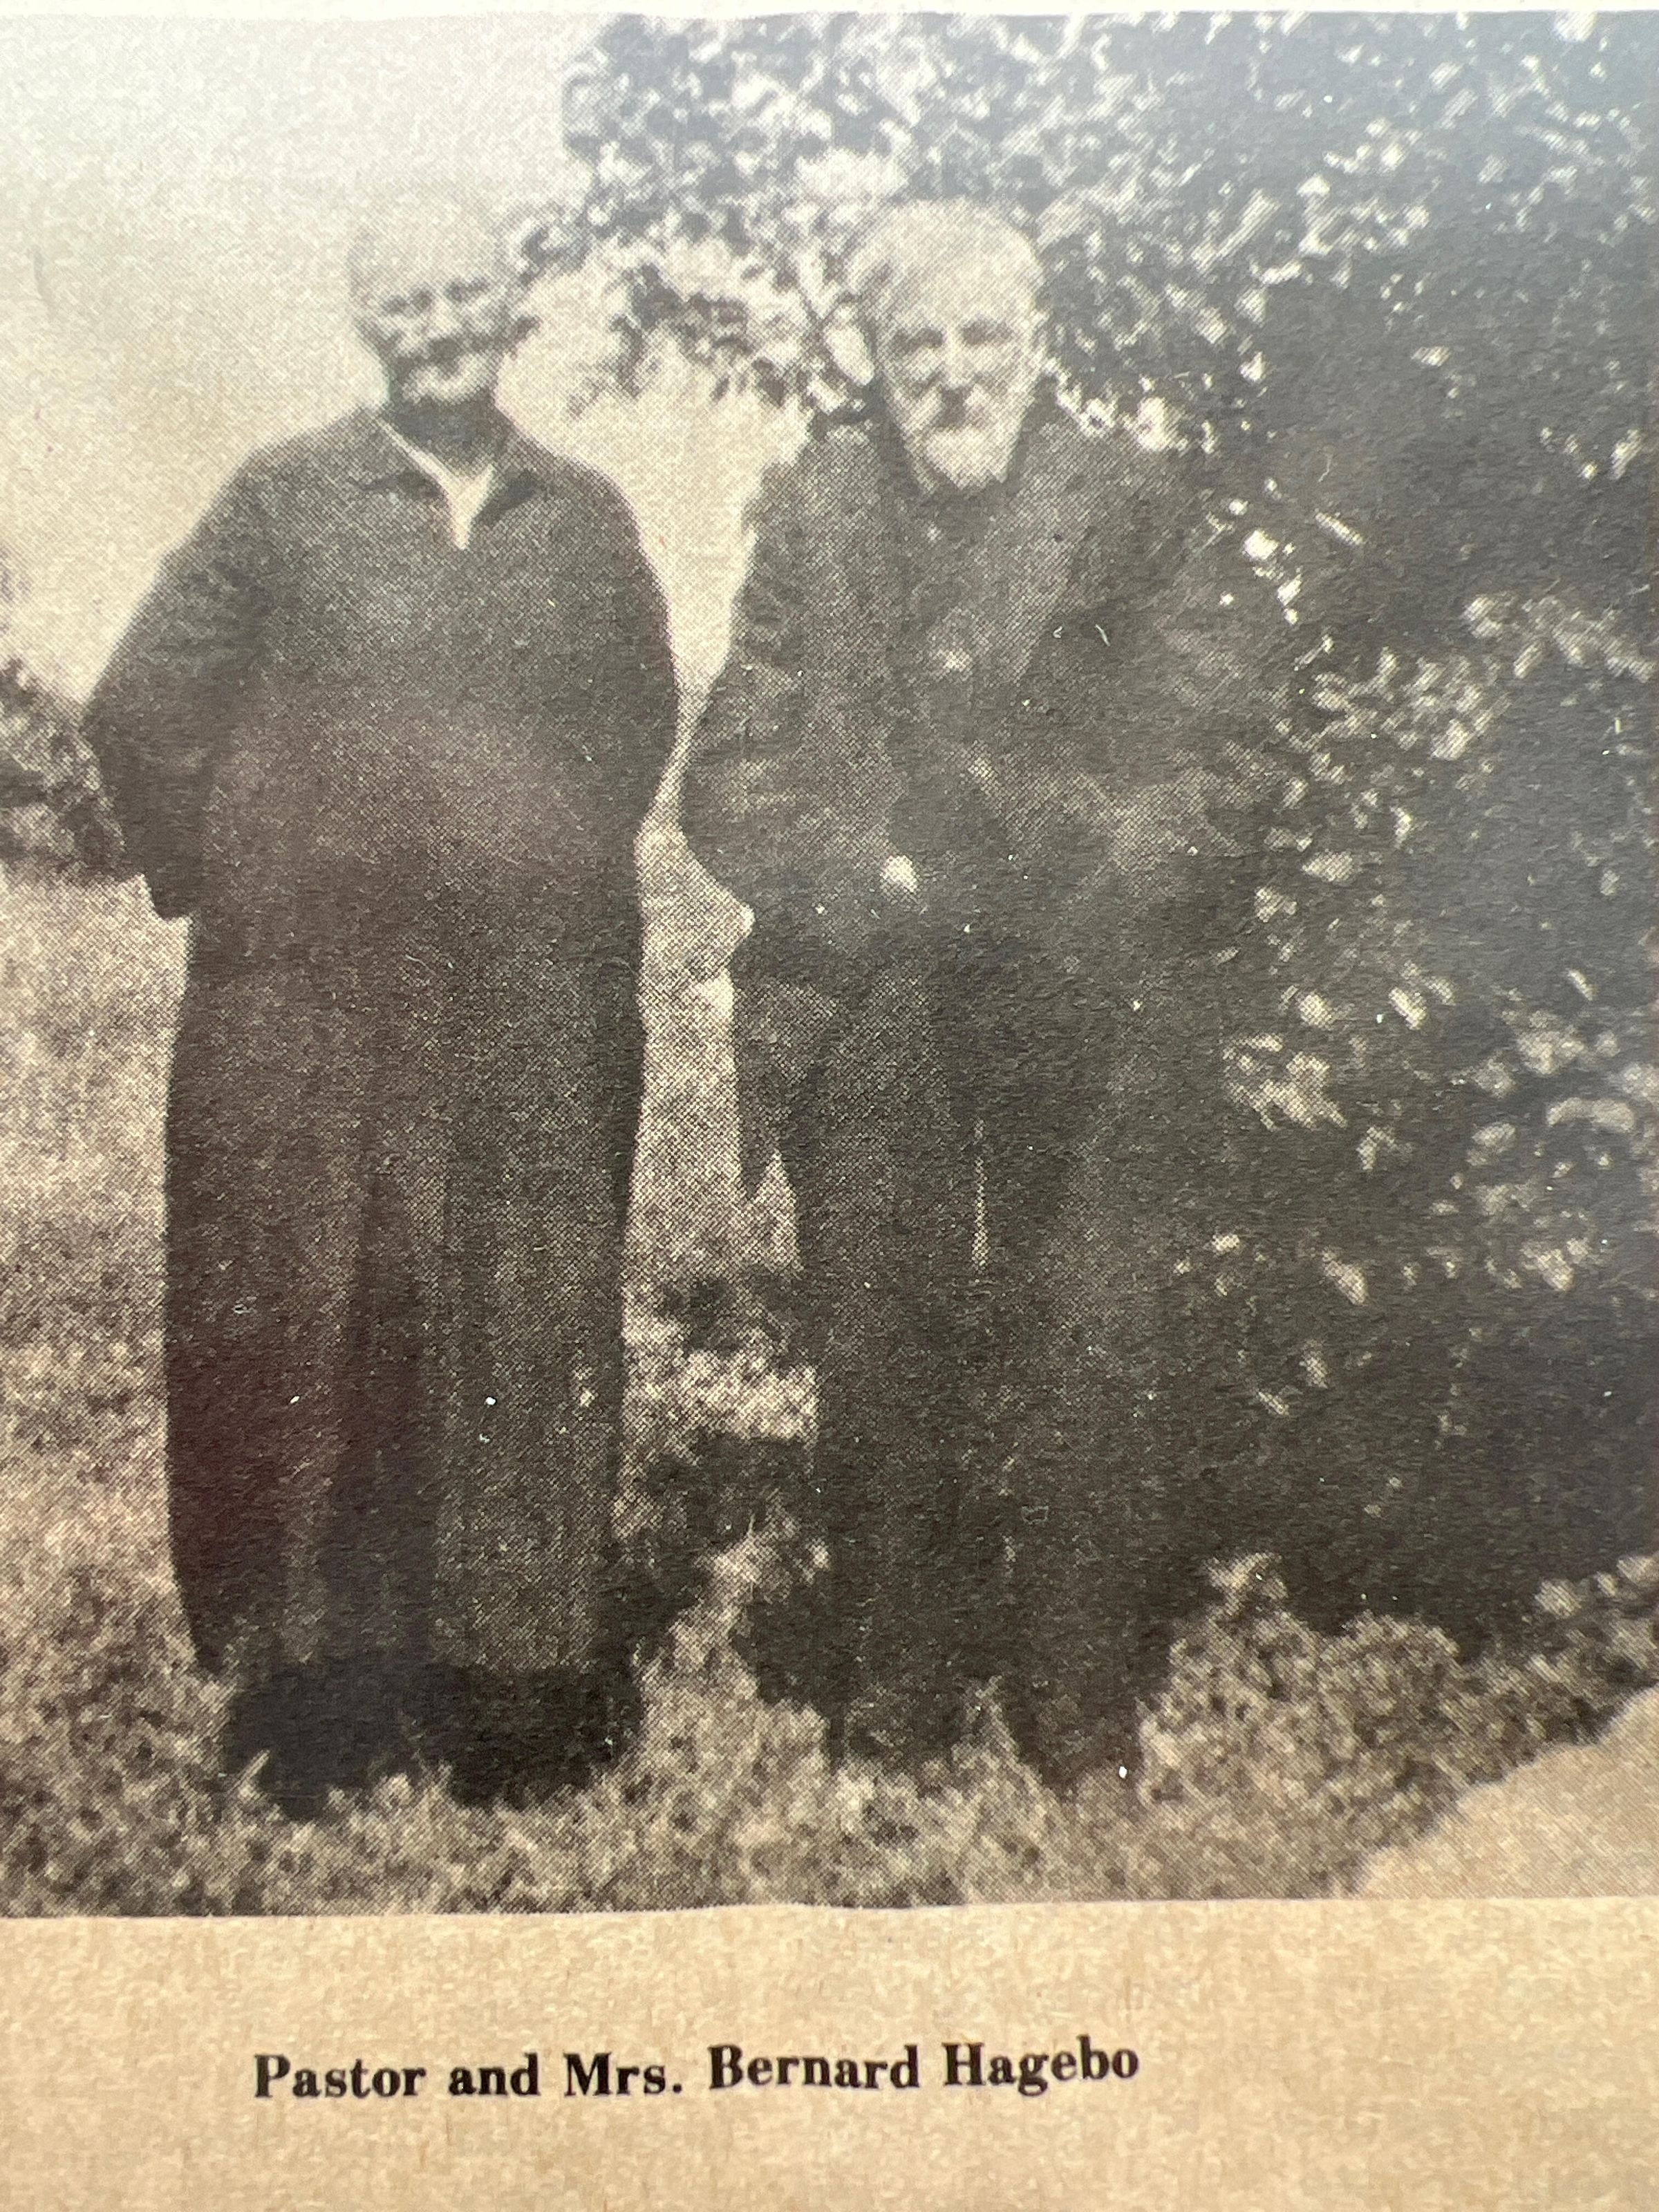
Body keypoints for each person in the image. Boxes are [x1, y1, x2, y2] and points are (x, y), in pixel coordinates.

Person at [84, 191, 677, 1813]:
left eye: (462, 291)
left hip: (533, 1006)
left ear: (510, 306)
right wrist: (237, 884)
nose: (437, 326)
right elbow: (142, 705)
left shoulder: (583, 517)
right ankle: (316, 1696)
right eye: (404, 301)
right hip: (310, 1014)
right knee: (307, 1317)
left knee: (520, 1317)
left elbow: (634, 726)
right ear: (367, 325)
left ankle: (515, 1691)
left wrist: (540, 869)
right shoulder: (284, 501)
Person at [681, 199, 1281, 1783]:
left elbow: (1225, 763)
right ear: (875, 363)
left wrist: (1095, 874)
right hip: (876, 972)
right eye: (917, 344)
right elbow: (730, 770)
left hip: (1081, 972)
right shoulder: (819, 512)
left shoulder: (1135, 506)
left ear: (1038, 344)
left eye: (981, 337)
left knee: (1090, 1332)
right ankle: (901, 1676)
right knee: (879, 1334)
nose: (952, 372)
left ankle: (1074, 1689)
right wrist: (868, 867)